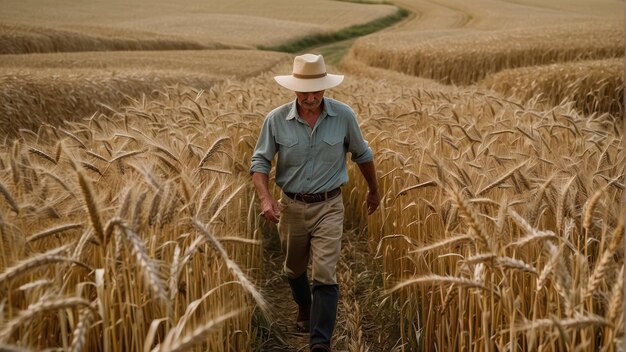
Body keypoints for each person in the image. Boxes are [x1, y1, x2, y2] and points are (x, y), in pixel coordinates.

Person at [250, 53, 380, 352]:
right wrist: (265, 197)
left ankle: (319, 343)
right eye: (305, 91)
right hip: (292, 206)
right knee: (293, 268)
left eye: (317, 90)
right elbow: (260, 161)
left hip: (329, 205)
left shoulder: (344, 116)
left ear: (325, 88)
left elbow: (363, 155)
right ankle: (305, 308)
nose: (311, 97)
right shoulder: (276, 120)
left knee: (324, 272)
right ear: (294, 89)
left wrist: (374, 191)